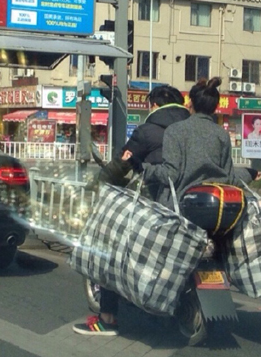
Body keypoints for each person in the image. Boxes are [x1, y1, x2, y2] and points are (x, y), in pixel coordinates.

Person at [73, 85, 190, 337]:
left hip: (156, 207)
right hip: (193, 207)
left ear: (154, 106)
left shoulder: (148, 131)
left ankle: (107, 319)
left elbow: (121, 164)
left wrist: (97, 184)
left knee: (111, 248)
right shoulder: (193, 129)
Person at [133, 77, 259, 209]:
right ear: (215, 107)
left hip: (181, 207)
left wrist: (142, 167)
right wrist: (249, 173)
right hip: (215, 208)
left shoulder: (175, 130)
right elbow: (229, 177)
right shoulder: (222, 134)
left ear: (190, 103)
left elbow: (170, 174)